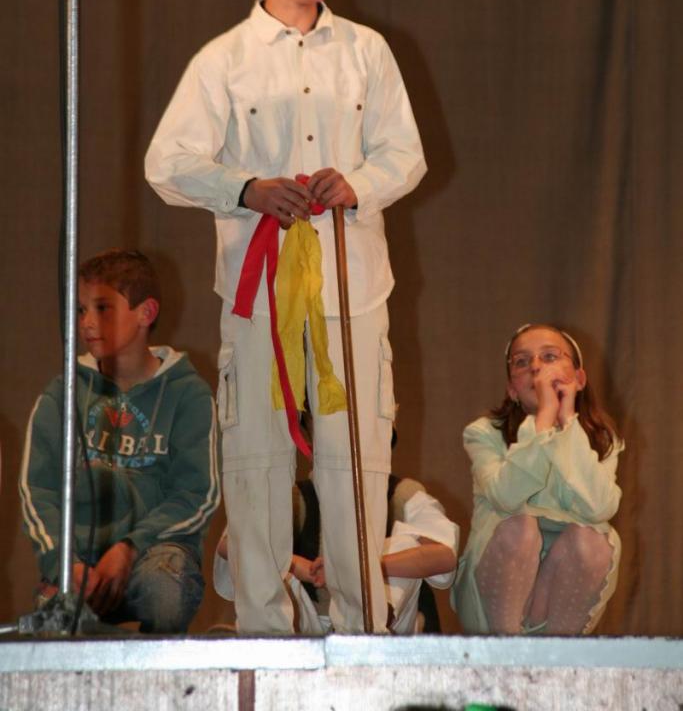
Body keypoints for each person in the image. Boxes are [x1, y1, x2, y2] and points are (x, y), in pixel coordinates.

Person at [145, 0, 426, 633]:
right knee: (258, 459)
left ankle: (361, 631)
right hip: (258, 290)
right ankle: (265, 633)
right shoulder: (225, 60)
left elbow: (405, 154)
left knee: (354, 457)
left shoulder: (366, 52)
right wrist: (247, 188)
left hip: (351, 287)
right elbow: (166, 163)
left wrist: (357, 183)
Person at [19, 249, 221, 633]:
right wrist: (64, 562)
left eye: (102, 308)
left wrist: (130, 547)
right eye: (81, 310)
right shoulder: (63, 392)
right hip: (79, 559)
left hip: (153, 553)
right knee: (52, 624)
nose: (87, 323)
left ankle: (161, 667)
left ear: (146, 313)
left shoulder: (188, 394)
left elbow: (197, 494)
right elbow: (37, 490)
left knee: (166, 591)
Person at [452, 323, 623, 636]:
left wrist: (567, 423)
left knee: (593, 540)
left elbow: (600, 507)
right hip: (496, 592)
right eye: (522, 361)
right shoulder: (483, 433)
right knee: (520, 527)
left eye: (550, 356)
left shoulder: (604, 439)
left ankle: (557, 653)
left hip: (560, 594)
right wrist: (544, 421)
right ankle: (507, 650)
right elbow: (506, 497)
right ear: (512, 390)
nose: (536, 367)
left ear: (579, 379)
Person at [213, 473, 458, 635]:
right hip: (308, 624)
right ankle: (263, 633)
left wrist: (358, 568)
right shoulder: (292, 495)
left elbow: (444, 555)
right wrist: (294, 564)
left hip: (387, 622)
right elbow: (228, 545)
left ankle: (368, 624)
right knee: (267, 558)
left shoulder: (403, 493)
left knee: (405, 543)